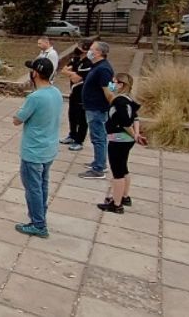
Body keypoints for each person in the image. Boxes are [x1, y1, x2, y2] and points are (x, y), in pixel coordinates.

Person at [12, 58, 62, 238]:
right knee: (42, 185)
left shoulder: (35, 97)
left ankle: (38, 224)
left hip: (33, 151)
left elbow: (17, 119)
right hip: (49, 149)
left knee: (33, 187)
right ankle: (40, 214)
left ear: (35, 74)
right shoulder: (56, 92)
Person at [97, 73, 147, 214]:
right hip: (126, 140)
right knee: (123, 168)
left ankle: (116, 204)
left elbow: (125, 122)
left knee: (117, 172)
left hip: (119, 139)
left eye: (114, 82)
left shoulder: (119, 101)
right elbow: (135, 118)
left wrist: (135, 136)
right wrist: (136, 134)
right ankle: (124, 196)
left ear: (121, 84)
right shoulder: (129, 99)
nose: (111, 85)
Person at [79, 41, 114, 179]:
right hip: (92, 107)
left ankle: (99, 168)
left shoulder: (104, 69)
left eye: (92, 49)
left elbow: (109, 90)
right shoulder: (96, 66)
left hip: (97, 108)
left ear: (99, 52)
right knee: (97, 137)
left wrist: (113, 105)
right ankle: (98, 161)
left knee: (98, 137)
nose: (89, 51)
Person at [59, 39, 93, 151]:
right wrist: (73, 73)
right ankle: (72, 135)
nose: (77, 48)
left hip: (83, 95)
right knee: (72, 115)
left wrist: (73, 74)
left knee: (82, 119)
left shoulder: (88, 63)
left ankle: (79, 140)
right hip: (73, 93)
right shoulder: (76, 59)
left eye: (80, 46)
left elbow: (76, 79)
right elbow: (63, 70)